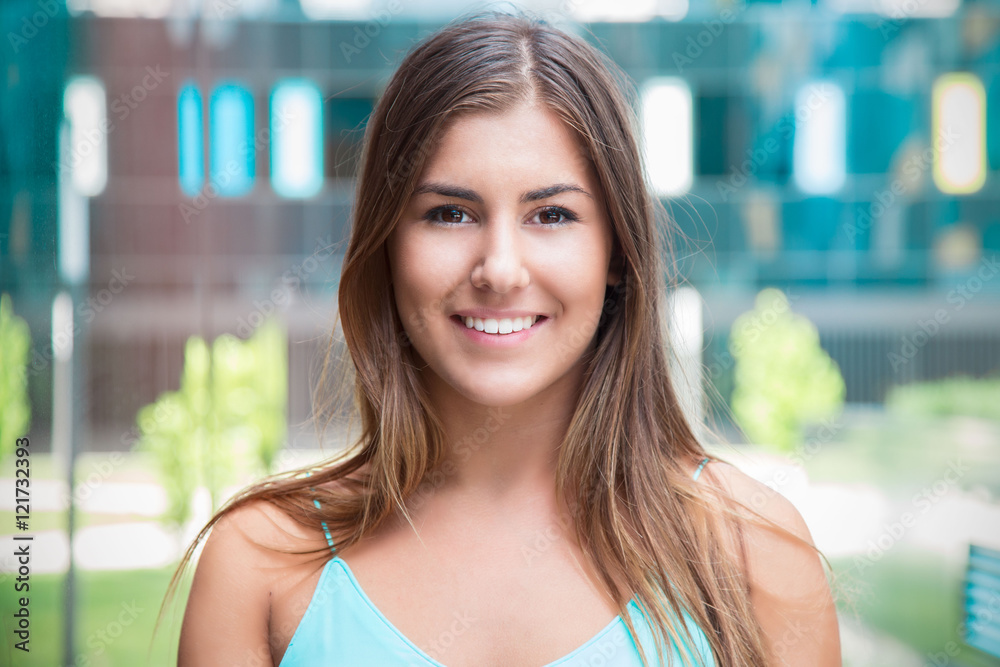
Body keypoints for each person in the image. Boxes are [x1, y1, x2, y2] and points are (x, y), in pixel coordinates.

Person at [171, 10, 840, 666]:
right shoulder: (259, 565)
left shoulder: (754, 556)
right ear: (387, 247)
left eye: (551, 214)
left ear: (615, 251)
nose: (500, 269)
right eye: (450, 213)